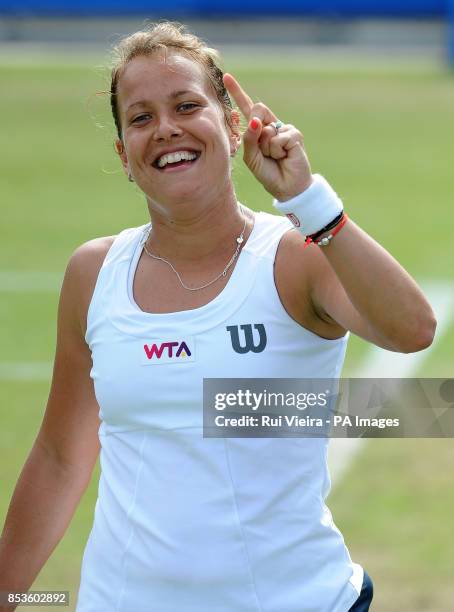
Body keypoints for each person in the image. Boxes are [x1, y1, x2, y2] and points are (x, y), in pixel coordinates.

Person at [0, 21, 436, 612]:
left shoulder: (294, 256)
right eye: (141, 117)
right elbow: (59, 455)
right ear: (123, 155)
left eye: (186, 105)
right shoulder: (93, 273)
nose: (166, 130)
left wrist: (309, 202)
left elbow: (412, 329)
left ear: (234, 127)